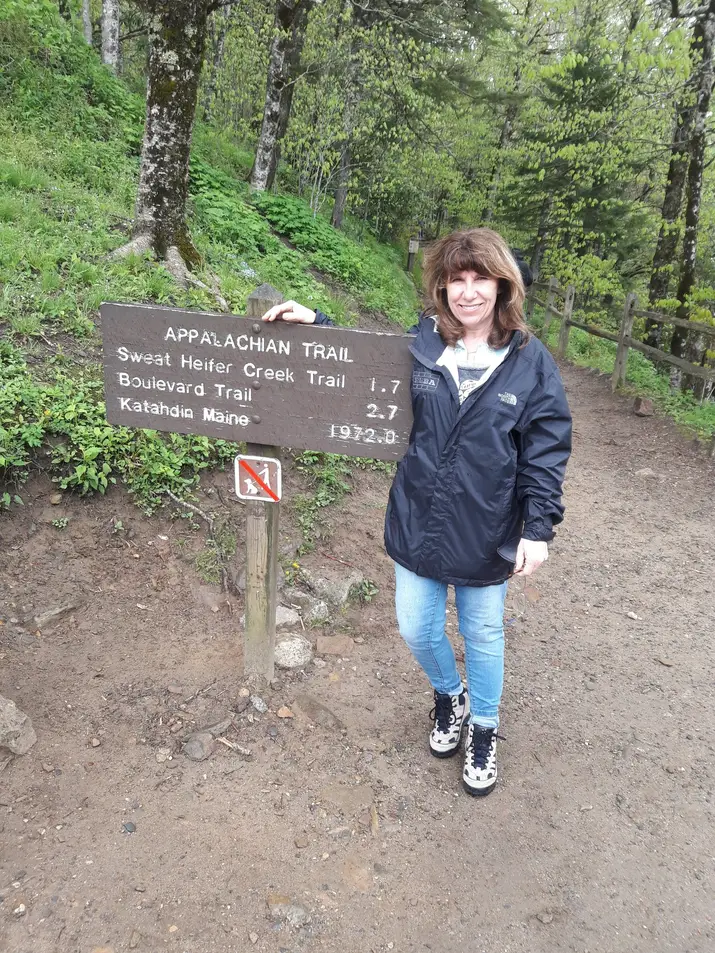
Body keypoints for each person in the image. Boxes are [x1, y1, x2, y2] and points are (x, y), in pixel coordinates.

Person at [262, 228, 572, 797]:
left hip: (488, 526)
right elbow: (368, 375)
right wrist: (319, 328)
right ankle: (447, 694)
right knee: (415, 626)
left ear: (503, 284)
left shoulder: (530, 363)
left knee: (482, 632)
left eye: (481, 279)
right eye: (457, 279)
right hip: (419, 515)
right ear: (442, 285)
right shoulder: (425, 340)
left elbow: (547, 449)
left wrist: (538, 528)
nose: (469, 292)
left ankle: (483, 728)